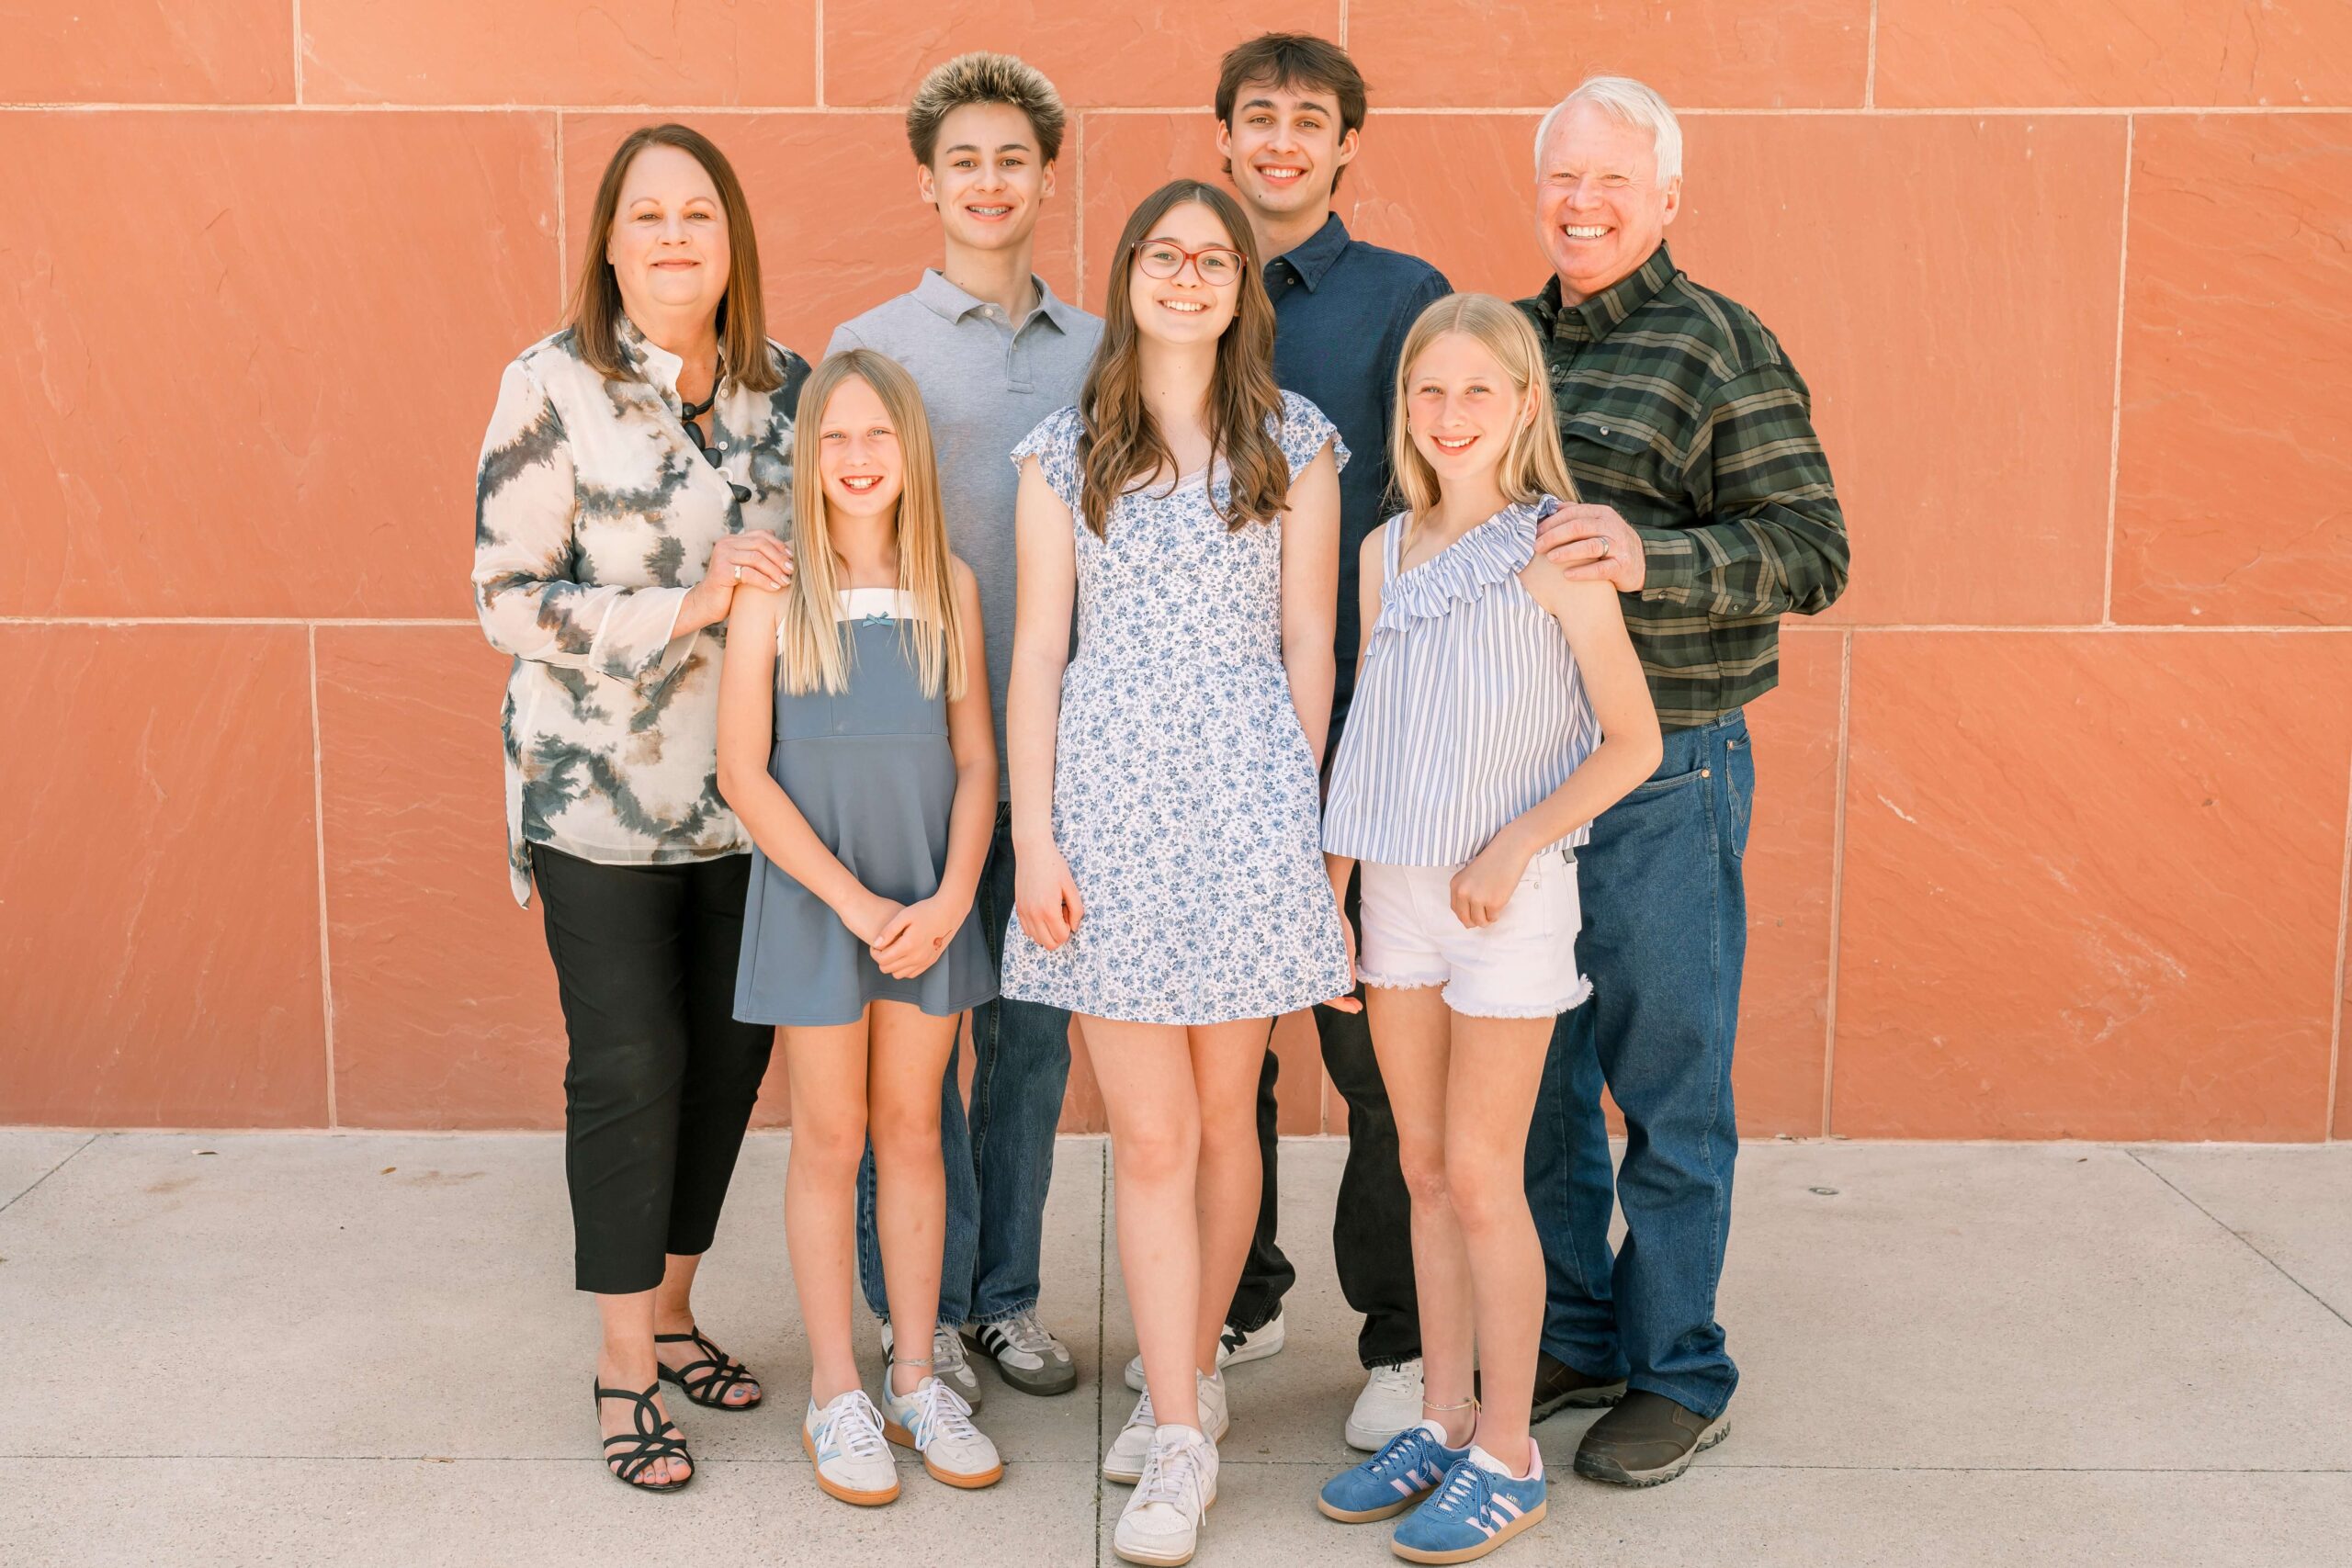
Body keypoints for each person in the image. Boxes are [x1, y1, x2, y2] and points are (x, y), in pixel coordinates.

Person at [1001, 180, 1353, 1568]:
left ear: (1239, 291)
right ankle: (1184, 1430)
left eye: (1214, 258)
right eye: (1166, 254)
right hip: (1106, 820)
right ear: (1130, 276)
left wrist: (1305, 828)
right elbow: (1037, 652)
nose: (1190, 275)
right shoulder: (1059, 453)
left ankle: (1183, 1378)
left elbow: (1310, 648)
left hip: (1250, 811)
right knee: (1146, 1134)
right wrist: (1036, 834)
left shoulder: (1296, 445)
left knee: (1226, 1120)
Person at [1515, 76, 1849, 1486]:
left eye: (1612, 180)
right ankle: (1579, 1327)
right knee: (1535, 1076)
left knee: (1668, 1077)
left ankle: (1677, 1366)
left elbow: (1814, 547)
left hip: (1670, 766)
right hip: (1525, 778)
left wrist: (1661, 558)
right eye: (1563, 180)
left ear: (1665, 198)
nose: (1583, 203)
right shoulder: (1504, 339)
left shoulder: (1721, 343)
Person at [471, 122, 808, 1492]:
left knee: (729, 1067)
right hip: (596, 803)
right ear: (610, 240)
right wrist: (689, 602)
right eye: (647, 215)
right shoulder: (548, 386)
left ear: (733, 241)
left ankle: (672, 1309)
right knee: (628, 1068)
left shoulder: (788, 388)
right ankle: (621, 1359)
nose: (674, 236)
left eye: (699, 215)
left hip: (749, 805)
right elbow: (505, 598)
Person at [1313, 295, 1660, 1562]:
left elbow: (1633, 739)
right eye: (1428, 391)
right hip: (1397, 891)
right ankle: (1446, 1416)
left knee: (1480, 1175)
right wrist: (1332, 882)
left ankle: (1508, 1449)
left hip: (1509, 903)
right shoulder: (1385, 549)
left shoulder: (1556, 550)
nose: (1450, 416)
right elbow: (1375, 724)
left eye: (1477, 392)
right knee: (1416, 1166)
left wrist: (1516, 840)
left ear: (1523, 404)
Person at [1168, 31, 1454, 1454]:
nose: (1281, 139)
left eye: (1310, 120)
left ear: (1347, 146)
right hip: (1207, 734)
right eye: (1257, 116)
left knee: (1370, 1039)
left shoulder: (1407, 304)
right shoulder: (1177, 279)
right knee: (1228, 1040)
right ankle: (1238, 1293)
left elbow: (1441, 508)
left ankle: (1398, 1332)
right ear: (1221, 137)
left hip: (1364, 719)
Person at [826, 51, 1102, 1405]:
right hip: (912, 765)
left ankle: (1005, 1297)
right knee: (909, 1047)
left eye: (1014, 159)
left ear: (1049, 177)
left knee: (1032, 1044)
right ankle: (914, 1310)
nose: (990, 182)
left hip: (1056, 760)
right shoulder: (871, 348)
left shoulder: (1106, 349)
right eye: (966, 160)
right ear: (927, 179)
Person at [718, 349, 1003, 1506]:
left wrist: (944, 901)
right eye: (831, 438)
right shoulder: (774, 590)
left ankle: (915, 1373)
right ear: (806, 456)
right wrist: (855, 903)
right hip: (821, 902)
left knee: (917, 1134)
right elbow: (744, 772)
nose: (854, 458)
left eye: (875, 435)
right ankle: (834, 1388)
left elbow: (977, 761)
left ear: (912, 451)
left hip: (927, 906)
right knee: (830, 1139)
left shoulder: (953, 588)